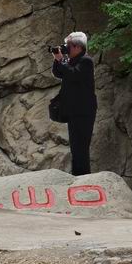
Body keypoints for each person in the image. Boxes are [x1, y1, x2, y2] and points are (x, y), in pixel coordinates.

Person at [52, 31, 97, 176]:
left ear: (78, 47)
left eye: (68, 46)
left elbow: (73, 75)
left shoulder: (86, 61)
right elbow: (58, 73)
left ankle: (83, 177)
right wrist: (58, 59)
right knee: (75, 147)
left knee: (81, 147)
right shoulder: (72, 61)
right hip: (74, 111)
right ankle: (77, 175)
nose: (66, 48)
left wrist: (62, 60)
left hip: (84, 112)